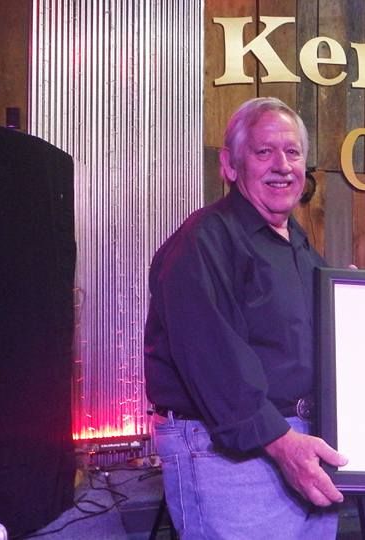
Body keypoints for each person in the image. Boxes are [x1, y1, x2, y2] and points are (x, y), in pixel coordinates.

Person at [144, 97, 347, 539]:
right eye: (263, 151)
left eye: (292, 152)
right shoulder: (204, 241)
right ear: (230, 165)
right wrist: (284, 444)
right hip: (232, 455)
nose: (282, 165)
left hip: (303, 443)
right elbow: (215, 362)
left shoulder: (300, 247)